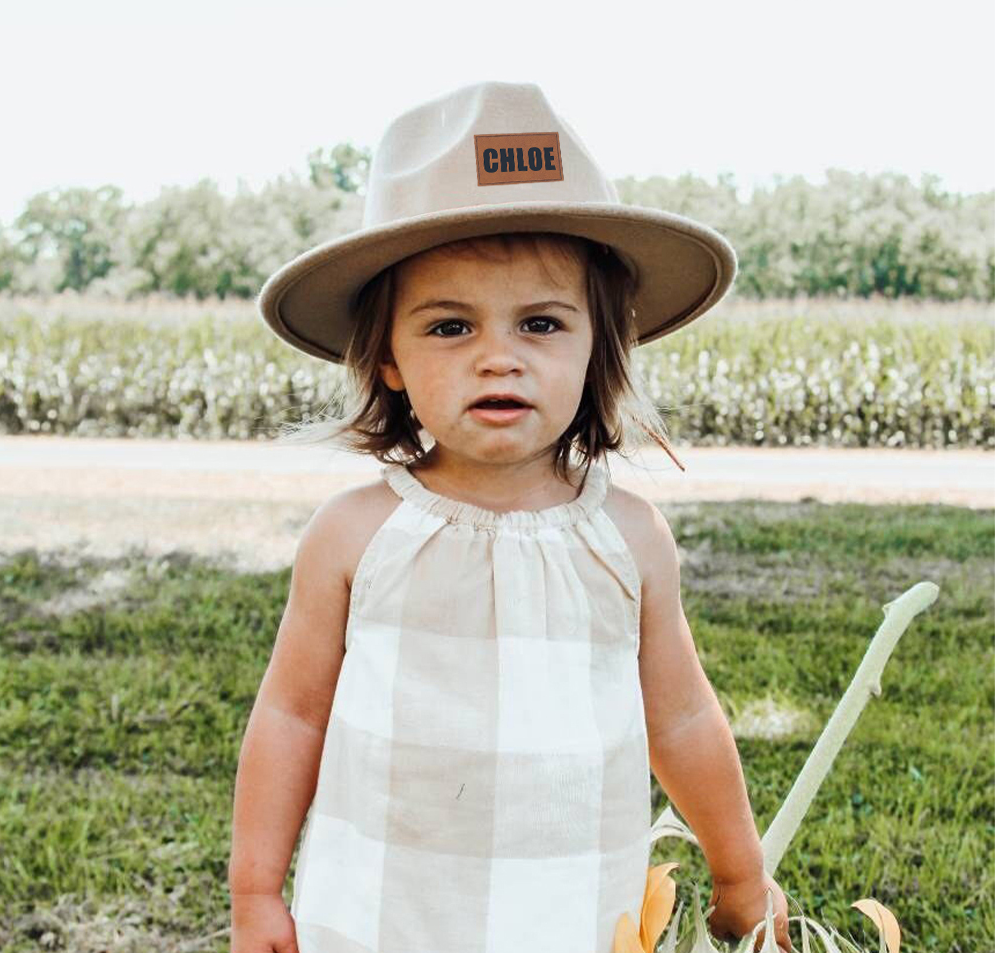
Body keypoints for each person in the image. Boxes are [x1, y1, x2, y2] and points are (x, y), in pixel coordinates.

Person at [228, 80, 794, 953]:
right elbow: (292, 716)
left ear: (598, 344)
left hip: (566, 909)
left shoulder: (629, 538)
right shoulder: (355, 534)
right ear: (388, 358)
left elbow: (680, 719)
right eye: (450, 327)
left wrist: (740, 872)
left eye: (540, 323)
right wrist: (256, 889)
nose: (499, 357)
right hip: (385, 911)